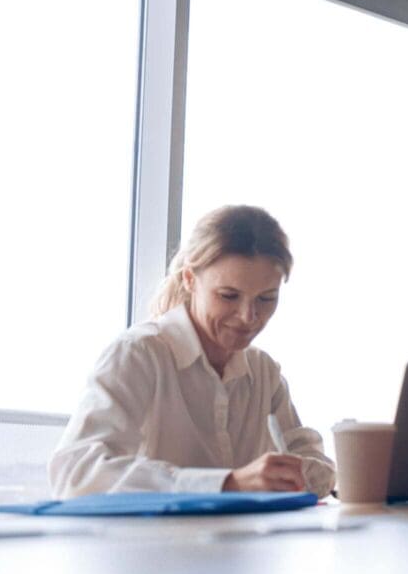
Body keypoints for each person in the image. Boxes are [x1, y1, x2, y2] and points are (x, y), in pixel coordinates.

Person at [50, 205, 335, 497]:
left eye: (266, 298)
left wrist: (300, 473)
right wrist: (228, 483)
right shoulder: (138, 354)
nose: (248, 317)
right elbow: (76, 473)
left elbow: (319, 468)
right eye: (229, 296)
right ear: (189, 279)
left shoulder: (263, 372)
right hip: (151, 530)